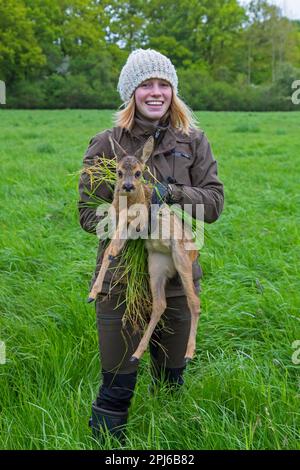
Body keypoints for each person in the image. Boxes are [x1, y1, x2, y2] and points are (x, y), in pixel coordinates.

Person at [78, 49, 224, 444]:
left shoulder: (193, 141)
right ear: (132, 92)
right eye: (146, 85)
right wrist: (123, 223)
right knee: (116, 386)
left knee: (172, 379)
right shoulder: (106, 143)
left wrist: (168, 193)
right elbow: (86, 211)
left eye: (163, 85)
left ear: (173, 92)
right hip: (121, 279)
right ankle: (111, 448)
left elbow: (213, 205)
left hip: (175, 275)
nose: (156, 92)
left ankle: (169, 441)